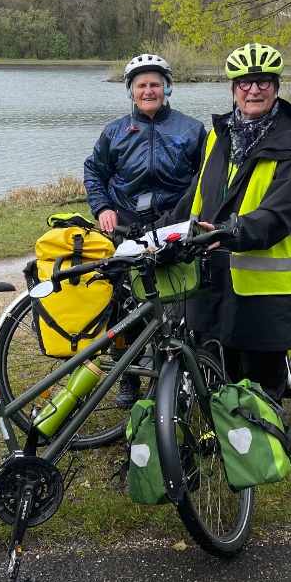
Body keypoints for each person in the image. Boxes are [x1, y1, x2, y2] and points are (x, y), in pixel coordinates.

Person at [169, 43, 291, 403]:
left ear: (277, 87)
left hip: (264, 290)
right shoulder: (219, 137)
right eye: (245, 83)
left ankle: (265, 453)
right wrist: (154, 231)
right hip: (212, 274)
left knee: (260, 388)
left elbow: (281, 211)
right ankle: (227, 442)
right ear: (233, 89)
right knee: (216, 372)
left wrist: (236, 232)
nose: (254, 90)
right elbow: (194, 200)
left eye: (264, 82)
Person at [84, 53, 206, 405]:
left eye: (155, 84)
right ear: (130, 92)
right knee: (126, 305)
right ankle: (129, 376)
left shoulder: (191, 129)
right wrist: (103, 207)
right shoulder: (115, 132)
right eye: (141, 85)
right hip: (127, 224)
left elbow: (207, 177)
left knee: (184, 296)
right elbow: (95, 172)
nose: (148, 91)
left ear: (167, 87)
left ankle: (186, 373)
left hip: (175, 222)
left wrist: (196, 213)